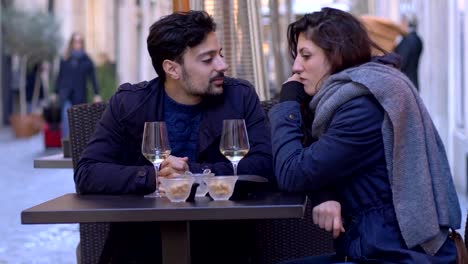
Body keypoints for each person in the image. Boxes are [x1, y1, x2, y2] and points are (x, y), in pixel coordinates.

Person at [75, 11, 273, 263]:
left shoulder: (240, 97)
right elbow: (87, 173)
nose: (222, 65)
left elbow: (265, 164)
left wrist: (194, 174)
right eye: (207, 59)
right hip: (141, 246)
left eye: (220, 54)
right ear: (171, 68)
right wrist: (155, 178)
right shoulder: (129, 104)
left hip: (223, 243)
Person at [269, 7, 461, 263]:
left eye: (306, 56)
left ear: (337, 56)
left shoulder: (362, 108)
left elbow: (293, 172)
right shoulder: (351, 95)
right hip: (374, 246)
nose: (295, 67)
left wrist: (287, 105)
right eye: (296, 56)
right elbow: (319, 159)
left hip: (398, 254)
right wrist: (326, 194)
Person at [53, 32, 102, 138]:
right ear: (71, 43)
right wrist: (55, 92)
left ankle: (76, 145)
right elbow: (59, 76)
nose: (77, 44)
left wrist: (96, 93)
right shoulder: (65, 59)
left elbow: (93, 78)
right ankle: (66, 144)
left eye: (80, 41)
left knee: (78, 122)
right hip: (65, 94)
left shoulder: (86, 60)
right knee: (66, 117)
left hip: (80, 95)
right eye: (75, 41)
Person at [394, 13, 423, 90]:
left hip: (406, 84)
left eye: (402, 22)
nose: (400, 24)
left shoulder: (408, 40)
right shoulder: (417, 39)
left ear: (406, 22)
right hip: (412, 82)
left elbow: (401, 62)